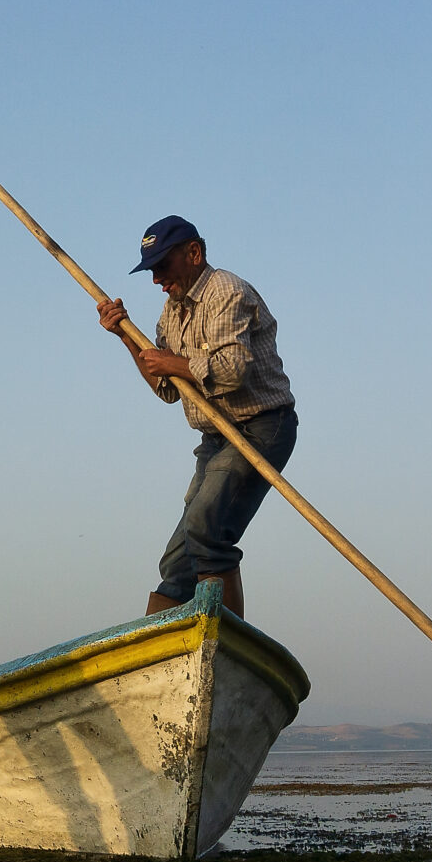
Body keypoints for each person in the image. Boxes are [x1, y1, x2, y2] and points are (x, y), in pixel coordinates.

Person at [95, 216, 297, 617]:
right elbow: (168, 389)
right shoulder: (172, 314)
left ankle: (224, 642)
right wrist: (127, 339)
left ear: (193, 253)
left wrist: (173, 361)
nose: (157, 280)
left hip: (261, 427)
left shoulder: (226, 291)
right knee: (177, 562)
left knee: (208, 529)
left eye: (162, 267)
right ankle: (156, 656)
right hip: (215, 438)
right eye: (151, 271)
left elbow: (232, 371)